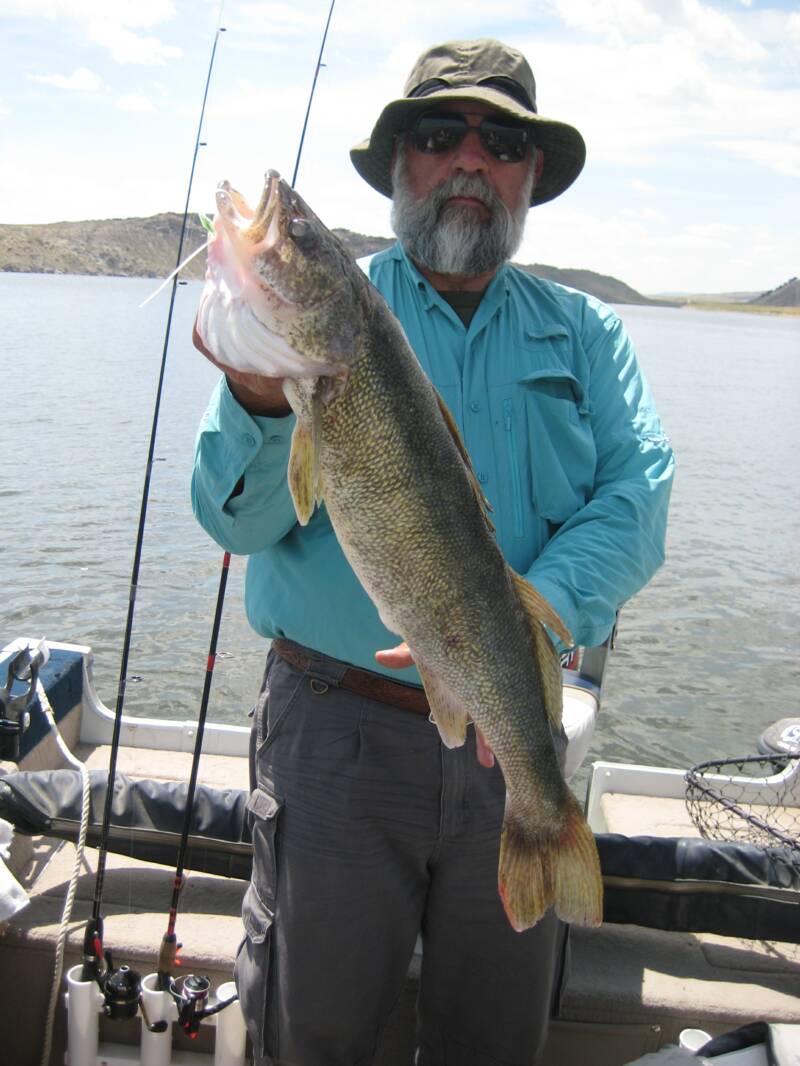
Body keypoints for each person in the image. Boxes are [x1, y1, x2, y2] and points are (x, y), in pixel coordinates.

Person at [191, 37, 674, 1066]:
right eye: (438, 133)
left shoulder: (588, 334)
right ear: (398, 164)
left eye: (502, 143)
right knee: (311, 1037)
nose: (469, 159)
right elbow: (234, 525)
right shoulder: (311, 334)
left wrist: (520, 620)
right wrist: (255, 398)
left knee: (491, 1042)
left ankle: (545, 832)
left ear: (531, 175)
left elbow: (637, 500)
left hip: (515, 731)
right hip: (335, 739)